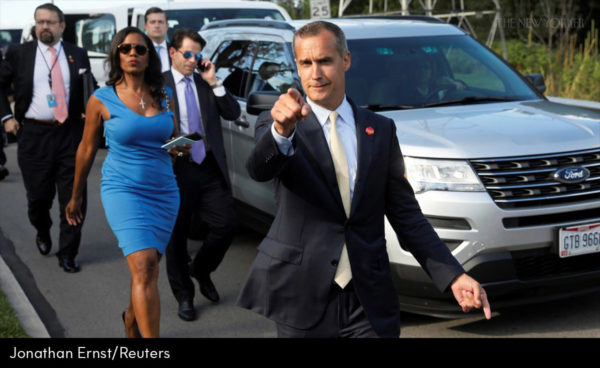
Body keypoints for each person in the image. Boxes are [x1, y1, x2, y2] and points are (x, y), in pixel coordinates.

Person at [237, 20, 492, 338]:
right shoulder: (277, 125)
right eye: (306, 63)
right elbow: (259, 169)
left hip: (367, 301)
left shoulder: (380, 131)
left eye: (325, 61)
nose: (315, 74)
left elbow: (407, 216)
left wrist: (453, 275)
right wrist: (281, 132)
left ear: (345, 60)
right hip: (301, 296)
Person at [65, 26, 185, 338]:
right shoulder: (100, 99)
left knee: (148, 271)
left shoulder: (164, 94)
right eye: (126, 48)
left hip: (164, 190)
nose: (133, 53)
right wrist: (75, 195)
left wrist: (178, 145)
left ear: (149, 57)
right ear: (117, 55)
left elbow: (168, 138)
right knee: (145, 266)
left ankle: (131, 320)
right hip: (123, 188)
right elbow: (87, 148)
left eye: (140, 49)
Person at [0, 3, 96, 272]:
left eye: (50, 22)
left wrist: (92, 109)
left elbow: (90, 88)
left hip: (70, 135)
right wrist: (7, 117)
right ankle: (43, 229)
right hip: (33, 135)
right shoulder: (20, 53)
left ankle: (67, 252)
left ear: (62, 26)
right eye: (39, 22)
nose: (44, 26)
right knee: (38, 198)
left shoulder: (78, 54)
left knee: (74, 196)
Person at [163, 28, 240, 321]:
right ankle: (184, 295)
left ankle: (201, 269)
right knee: (176, 237)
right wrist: (181, 144)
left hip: (207, 167)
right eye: (187, 54)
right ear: (173, 52)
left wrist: (215, 82)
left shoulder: (205, 82)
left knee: (227, 224)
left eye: (197, 55)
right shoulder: (159, 85)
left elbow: (231, 113)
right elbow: (150, 131)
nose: (193, 60)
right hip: (175, 169)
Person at [144, 7, 171, 73]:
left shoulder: (175, 50)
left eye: (160, 22)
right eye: (153, 22)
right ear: (146, 26)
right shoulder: (140, 50)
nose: (157, 26)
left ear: (167, 26)